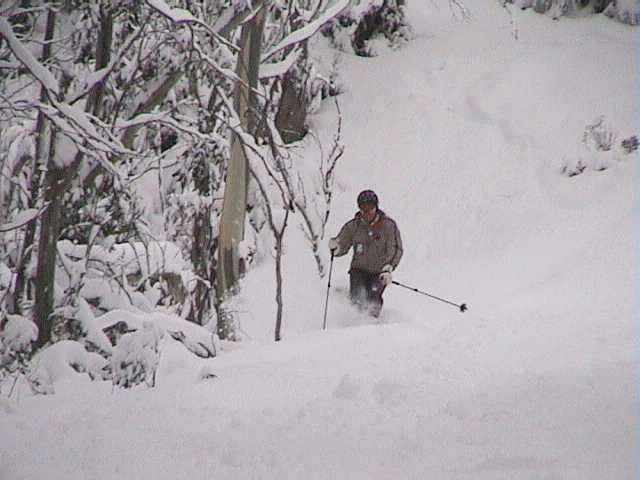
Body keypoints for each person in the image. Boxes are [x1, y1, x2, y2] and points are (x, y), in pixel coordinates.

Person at [328, 189, 403, 317]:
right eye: (363, 208)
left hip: (379, 273)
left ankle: (371, 326)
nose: (366, 212)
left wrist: (389, 268)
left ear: (376, 208)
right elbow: (342, 244)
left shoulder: (388, 226)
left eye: (370, 208)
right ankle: (354, 325)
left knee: (373, 299)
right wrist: (336, 247)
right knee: (358, 299)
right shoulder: (353, 226)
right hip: (358, 270)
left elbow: (396, 249)